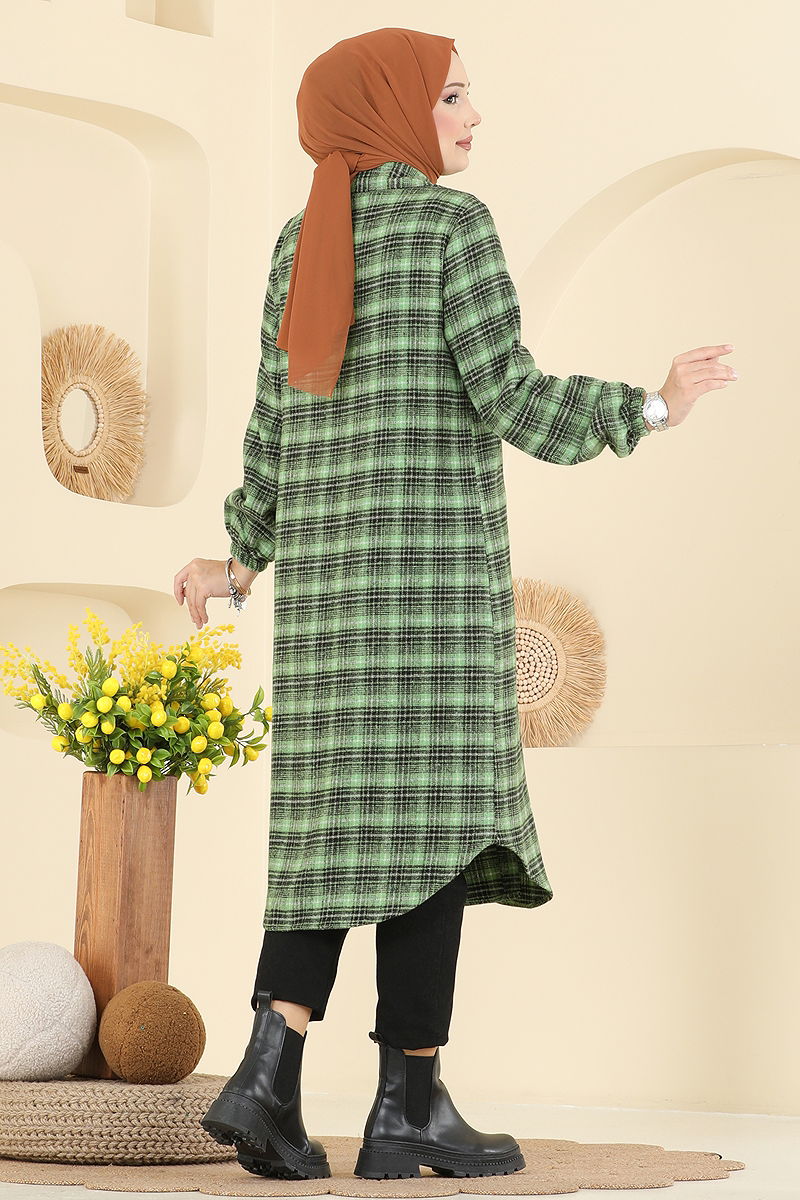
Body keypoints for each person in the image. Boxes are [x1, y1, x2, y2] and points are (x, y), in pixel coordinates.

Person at [176, 26, 737, 1183]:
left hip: (328, 612)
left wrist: (239, 562)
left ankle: (268, 1076)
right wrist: (650, 405)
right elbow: (512, 397)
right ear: (387, 109)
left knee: (334, 836)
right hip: (427, 600)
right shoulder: (450, 228)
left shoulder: (298, 243)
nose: (472, 118)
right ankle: (407, 1108)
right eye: (451, 99)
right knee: (430, 839)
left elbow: (274, 429)